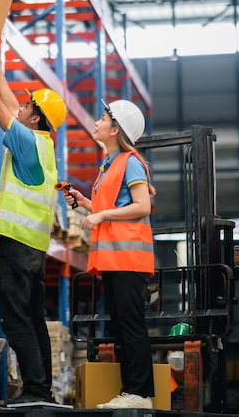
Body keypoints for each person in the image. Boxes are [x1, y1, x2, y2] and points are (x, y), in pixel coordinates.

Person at [0, 23, 67, 405]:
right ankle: (42, 388)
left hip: (18, 245)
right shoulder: (42, 143)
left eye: (26, 106)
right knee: (33, 318)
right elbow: (6, 100)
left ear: (34, 118)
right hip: (33, 248)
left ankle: (36, 389)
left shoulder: (25, 140)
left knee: (16, 319)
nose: (19, 107)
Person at [64, 99, 156, 409]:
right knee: (120, 325)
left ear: (115, 129)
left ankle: (141, 394)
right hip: (114, 260)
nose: (97, 122)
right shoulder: (108, 165)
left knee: (130, 324)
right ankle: (131, 391)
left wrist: (101, 216)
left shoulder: (130, 161)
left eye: (103, 118)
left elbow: (143, 206)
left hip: (129, 259)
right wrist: (86, 203)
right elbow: (113, 207)